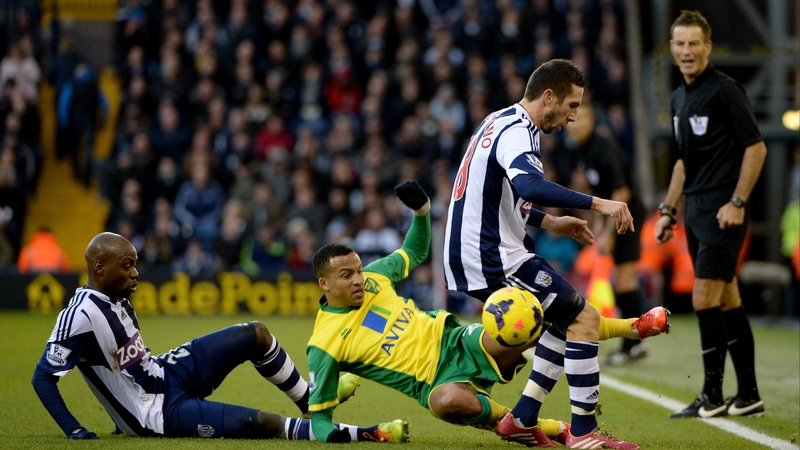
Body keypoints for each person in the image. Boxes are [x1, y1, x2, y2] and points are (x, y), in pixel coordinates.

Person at [308, 181, 664, 447]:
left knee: (532, 321)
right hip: (433, 384)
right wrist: (336, 437)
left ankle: (631, 327)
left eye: (358, 270)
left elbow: (414, 252)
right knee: (449, 403)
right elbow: (319, 418)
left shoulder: (374, 277)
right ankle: (541, 426)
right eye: (347, 275)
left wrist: (421, 211)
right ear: (324, 283)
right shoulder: (324, 344)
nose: (359, 279)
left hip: (457, 341)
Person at [443, 59, 663, 449]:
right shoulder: (517, 132)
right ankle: (584, 431)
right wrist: (599, 203)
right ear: (549, 97)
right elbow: (529, 185)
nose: (574, 116)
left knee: (565, 320)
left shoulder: (499, 121)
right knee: (584, 319)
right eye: (572, 105)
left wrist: (550, 222)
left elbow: (502, 196)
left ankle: (522, 419)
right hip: (491, 255)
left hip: (481, 250)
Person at [31, 232, 408, 442]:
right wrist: (75, 430)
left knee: (256, 334)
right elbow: (43, 377)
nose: (136, 273)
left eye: (135, 265)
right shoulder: (79, 315)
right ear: (99, 268)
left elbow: (122, 363)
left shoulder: (117, 297)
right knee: (264, 423)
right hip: (154, 414)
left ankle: (309, 401)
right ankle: (367, 434)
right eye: (127, 266)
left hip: (165, 373)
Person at [654, 10, 767, 419]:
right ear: (671, 48)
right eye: (680, 44)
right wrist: (668, 210)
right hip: (696, 211)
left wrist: (737, 202)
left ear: (708, 47)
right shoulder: (678, 97)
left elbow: (756, 148)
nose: (686, 51)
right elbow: (683, 162)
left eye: (693, 43)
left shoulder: (725, 90)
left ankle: (712, 396)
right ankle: (749, 395)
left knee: (703, 297)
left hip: (723, 212)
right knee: (728, 299)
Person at [560, 103, 649, 365]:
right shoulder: (583, 150)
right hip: (615, 215)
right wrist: (599, 223)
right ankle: (633, 342)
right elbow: (601, 192)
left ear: (592, 121)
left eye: (581, 119)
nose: (575, 125)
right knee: (620, 280)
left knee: (625, 279)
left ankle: (634, 343)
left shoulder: (602, 147)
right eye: (572, 121)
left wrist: (609, 232)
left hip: (627, 214)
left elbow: (622, 191)